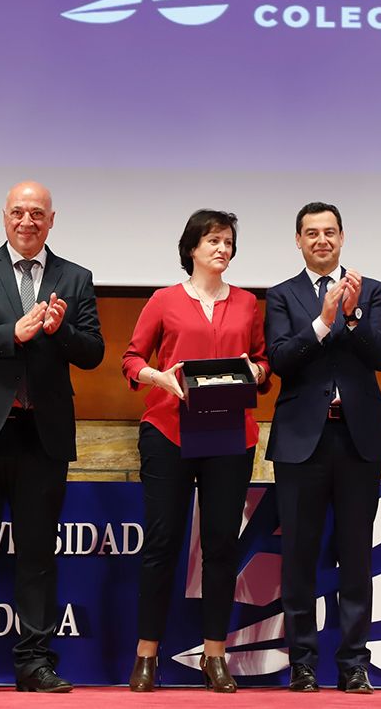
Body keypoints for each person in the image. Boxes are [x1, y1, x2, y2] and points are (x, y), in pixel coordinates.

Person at [0, 182, 104, 694]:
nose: (27, 221)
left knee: (37, 557)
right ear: (3, 217)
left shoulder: (75, 277)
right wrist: (14, 332)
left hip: (42, 436)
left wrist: (59, 331)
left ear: (52, 220)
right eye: (18, 212)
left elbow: (93, 351)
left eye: (37, 213)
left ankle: (34, 662)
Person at [121, 209, 271, 693]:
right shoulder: (164, 300)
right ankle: (147, 654)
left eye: (228, 241)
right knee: (163, 544)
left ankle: (215, 654)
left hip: (230, 435)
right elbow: (131, 358)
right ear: (191, 248)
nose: (221, 249)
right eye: (212, 241)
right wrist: (158, 377)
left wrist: (258, 372)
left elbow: (263, 363)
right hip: (168, 430)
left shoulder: (248, 304)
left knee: (222, 547)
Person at [264, 202, 381, 694]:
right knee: (298, 555)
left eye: (330, 232)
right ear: (298, 241)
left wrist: (353, 316)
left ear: (343, 238)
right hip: (302, 440)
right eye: (311, 233)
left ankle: (354, 663)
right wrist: (321, 322)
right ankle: (302, 662)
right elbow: (280, 360)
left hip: (358, 438)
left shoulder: (371, 292)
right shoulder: (281, 295)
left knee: (356, 555)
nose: (322, 240)